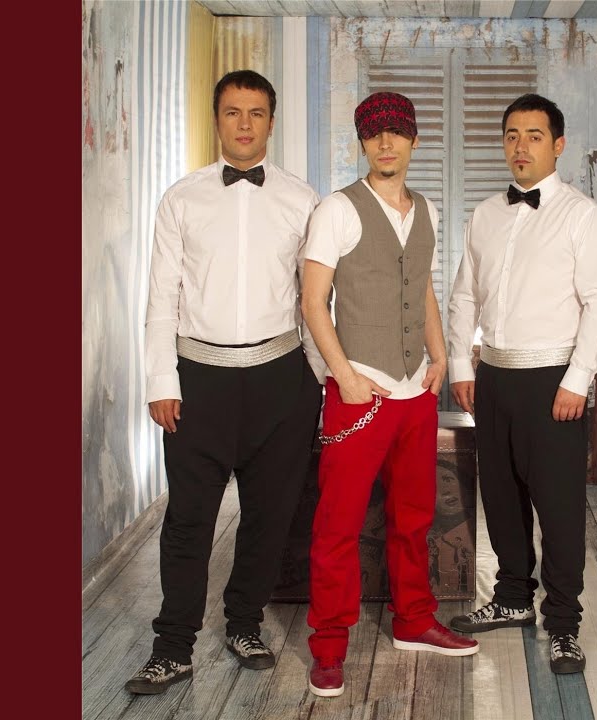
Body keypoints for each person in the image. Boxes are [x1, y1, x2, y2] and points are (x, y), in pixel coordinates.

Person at [125, 69, 323, 695]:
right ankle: (172, 647)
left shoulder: (303, 200)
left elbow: (315, 300)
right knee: (188, 519)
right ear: (217, 119)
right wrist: (161, 379)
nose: (244, 123)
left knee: (269, 516)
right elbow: (161, 297)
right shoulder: (180, 199)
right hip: (197, 381)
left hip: (281, 380)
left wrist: (321, 382)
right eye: (233, 112)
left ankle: (244, 624)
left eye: (256, 113)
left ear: (271, 122)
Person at [301, 91, 478, 699]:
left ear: (413, 141)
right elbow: (312, 303)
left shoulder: (425, 210)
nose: (385, 142)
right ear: (362, 142)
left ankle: (413, 620)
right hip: (359, 393)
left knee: (415, 517)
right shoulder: (337, 210)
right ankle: (328, 646)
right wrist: (345, 377)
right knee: (338, 525)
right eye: (374, 132)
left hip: (415, 394)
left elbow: (421, 284)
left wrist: (440, 353)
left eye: (396, 132)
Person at [445, 93, 597, 675]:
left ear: (558, 145)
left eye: (535, 136)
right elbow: (464, 295)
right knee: (500, 497)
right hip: (493, 376)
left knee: (560, 508)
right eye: (512, 135)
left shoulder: (583, 216)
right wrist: (463, 366)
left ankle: (563, 623)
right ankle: (513, 597)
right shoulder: (485, 215)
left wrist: (578, 380)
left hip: (554, 381)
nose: (521, 147)